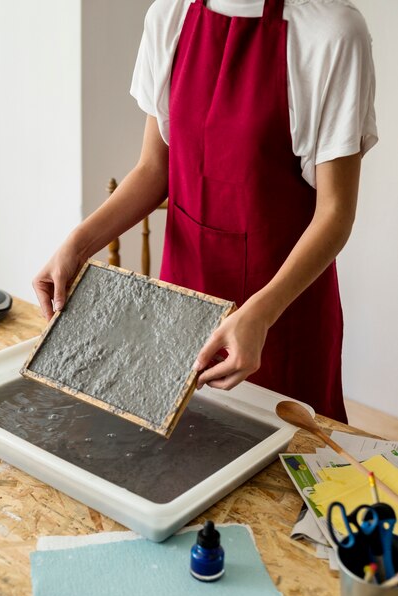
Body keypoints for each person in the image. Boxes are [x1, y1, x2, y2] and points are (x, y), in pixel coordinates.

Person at [33, 0, 377, 422]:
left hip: (282, 315)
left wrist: (260, 313)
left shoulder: (332, 32)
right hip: (182, 303)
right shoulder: (170, 15)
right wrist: (76, 244)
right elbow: (154, 169)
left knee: (285, 471)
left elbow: (335, 213)